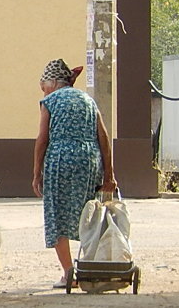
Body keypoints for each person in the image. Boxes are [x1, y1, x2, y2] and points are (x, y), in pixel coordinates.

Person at [32, 58, 117, 286]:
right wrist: (109, 175)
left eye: (43, 86)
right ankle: (90, 267)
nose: (43, 91)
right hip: (89, 159)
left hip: (60, 158)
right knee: (88, 214)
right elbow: (104, 137)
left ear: (52, 83)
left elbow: (42, 139)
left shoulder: (50, 101)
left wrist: (36, 172)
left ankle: (69, 272)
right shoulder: (88, 100)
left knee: (57, 214)